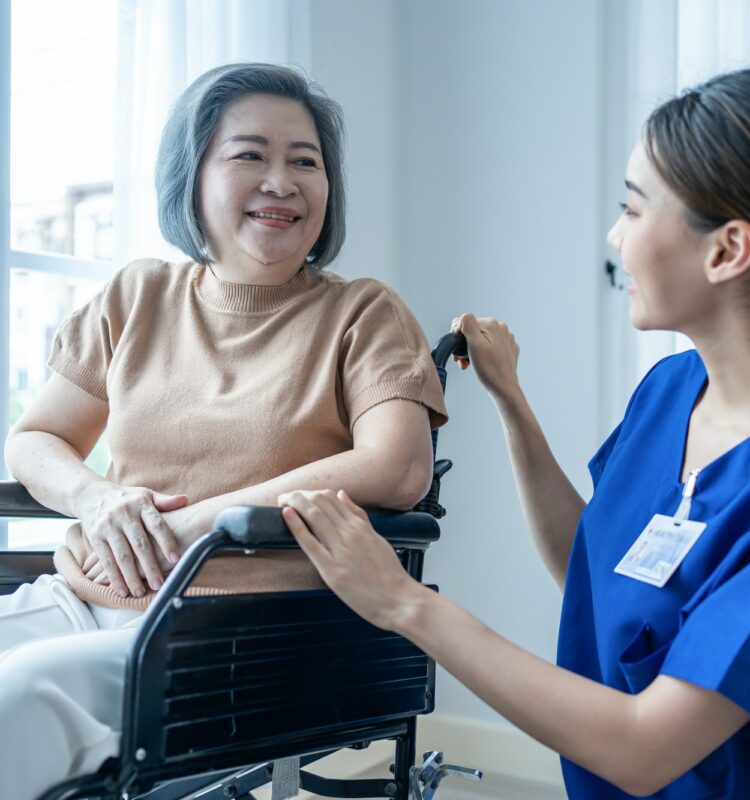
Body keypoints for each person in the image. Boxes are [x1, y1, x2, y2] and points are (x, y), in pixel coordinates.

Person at [279, 68, 750, 799]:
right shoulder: (669, 392)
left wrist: (407, 606)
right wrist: (512, 402)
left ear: (725, 251)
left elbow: (643, 747)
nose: (614, 235)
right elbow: (591, 573)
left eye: (632, 209)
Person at [0, 62, 447, 800]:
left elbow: (398, 466)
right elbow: (35, 439)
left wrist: (196, 525)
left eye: (305, 161)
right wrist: (97, 500)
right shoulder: (136, 295)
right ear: (193, 175)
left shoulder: (363, 314)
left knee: (13, 703)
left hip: (235, 633)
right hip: (80, 599)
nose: (282, 181)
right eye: (250, 155)